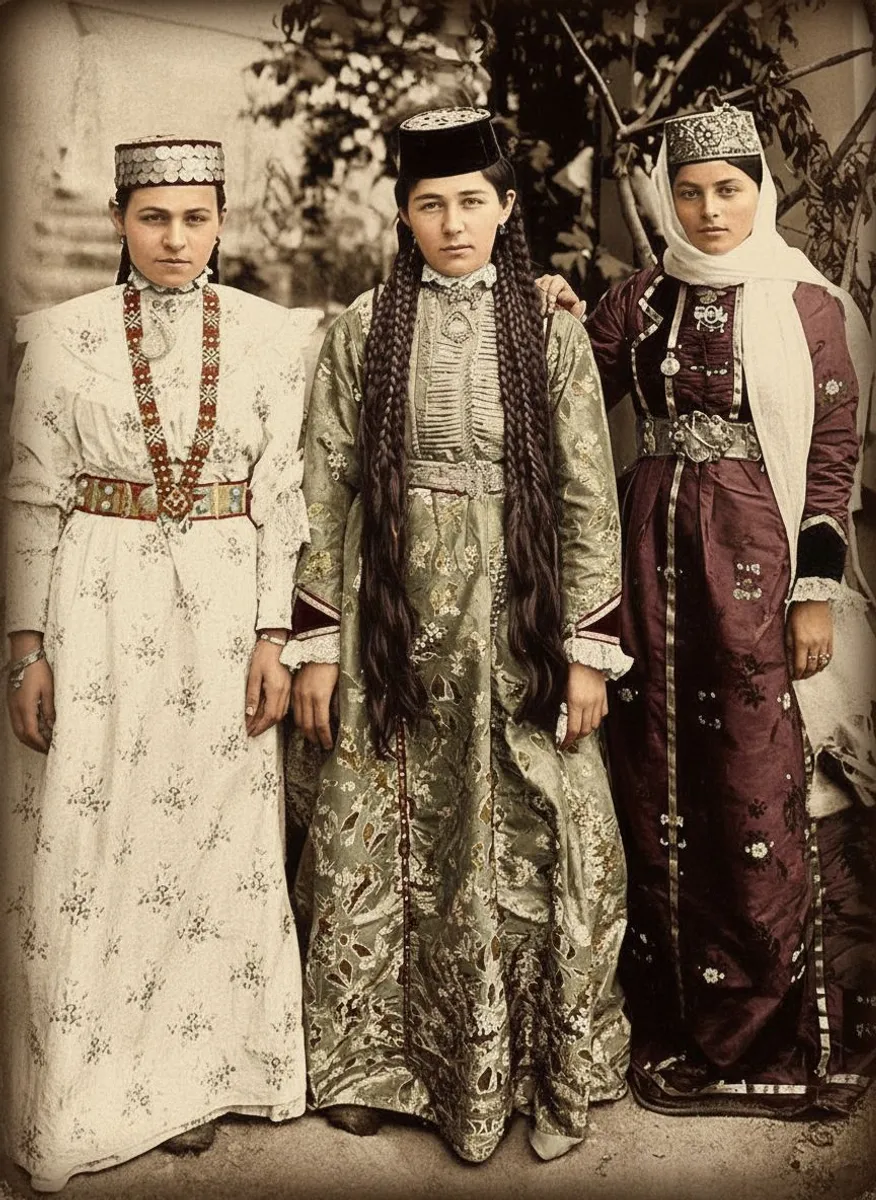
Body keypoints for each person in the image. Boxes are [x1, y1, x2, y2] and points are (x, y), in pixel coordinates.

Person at [283, 107, 631, 1163]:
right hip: (395, 623)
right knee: (373, 832)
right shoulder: (360, 329)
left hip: (513, 626)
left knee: (540, 832)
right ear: (403, 212)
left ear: (506, 207)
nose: (452, 222)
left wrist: (585, 651)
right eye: (430, 204)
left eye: (472, 201)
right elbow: (325, 485)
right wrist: (321, 642)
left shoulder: (548, 332)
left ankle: (538, 1066)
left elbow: (585, 497)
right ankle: (372, 1059)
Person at [540, 103, 876, 1116]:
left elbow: (830, 457)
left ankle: (770, 1025)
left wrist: (814, 594)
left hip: (755, 559)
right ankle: (681, 1015)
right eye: (689, 191)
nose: (710, 207)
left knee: (754, 780)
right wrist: (548, 312)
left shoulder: (807, 306)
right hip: (649, 557)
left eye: (728, 188)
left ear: (759, 191)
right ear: (668, 201)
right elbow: (561, 388)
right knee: (655, 779)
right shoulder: (640, 300)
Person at [1, 136, 320, 1191]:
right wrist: (26, 649)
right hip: (96, 601)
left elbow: (285, 497)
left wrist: (275, 635)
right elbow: (32, 495)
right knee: (97, 829)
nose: (175, 239)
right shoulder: (58, 338)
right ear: (118, 220)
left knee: (213, 829)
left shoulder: (278, 340)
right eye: (153, 218)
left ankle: (206, 1068)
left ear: (223, 219)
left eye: (194, 217)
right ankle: (96, 1084)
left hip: (225, 608)